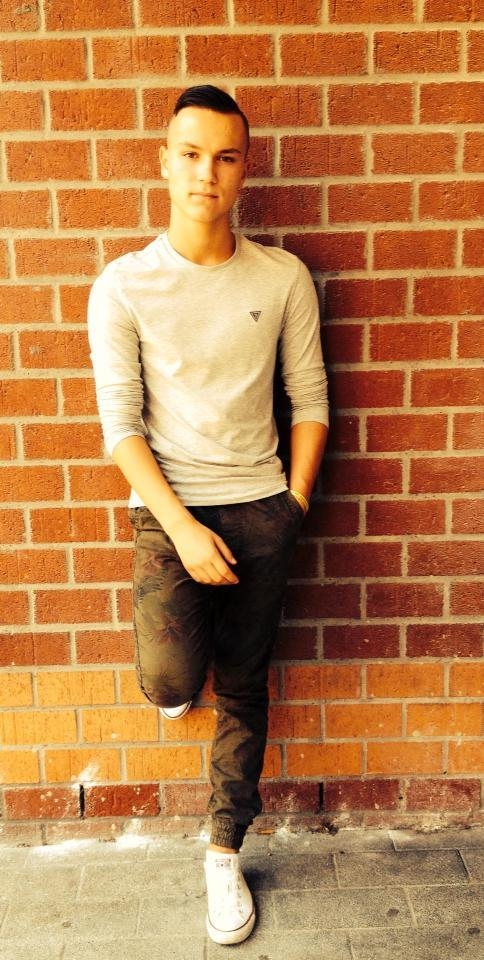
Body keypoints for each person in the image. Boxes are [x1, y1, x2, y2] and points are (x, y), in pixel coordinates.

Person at [88, 84, 328, 946]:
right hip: (168, 510)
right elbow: (120, 428)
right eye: (190, 154)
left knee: (244, 687)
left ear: (244, 169)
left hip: (262, 505)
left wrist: (293, 505)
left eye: (224, 156)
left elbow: (310, 400)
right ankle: (176, 678)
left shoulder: (282, 277)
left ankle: (224, 852)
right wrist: (185, 530)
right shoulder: (124, 285)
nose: (206, 173)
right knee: (170, 681)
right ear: (164, 162)